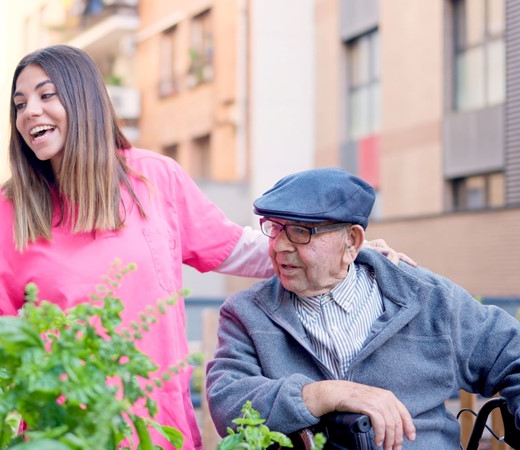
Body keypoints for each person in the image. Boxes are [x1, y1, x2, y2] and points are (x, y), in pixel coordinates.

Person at [0, 45, 411, 450]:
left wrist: (352, 252)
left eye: (47, 95)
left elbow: (239, 249)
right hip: (63, 429)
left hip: (155, 425)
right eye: (20, 103)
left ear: (84, 100)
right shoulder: (7, 208)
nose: (30, 111)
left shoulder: (153, 178)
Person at [205, 167, 520, 450]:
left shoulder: (426, 299)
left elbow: (512, 354)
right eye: (274, 227)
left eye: (301, 231)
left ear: (352, 242)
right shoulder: (246, 313)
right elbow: (228, 404)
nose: (279, 245)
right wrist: (323, 395)